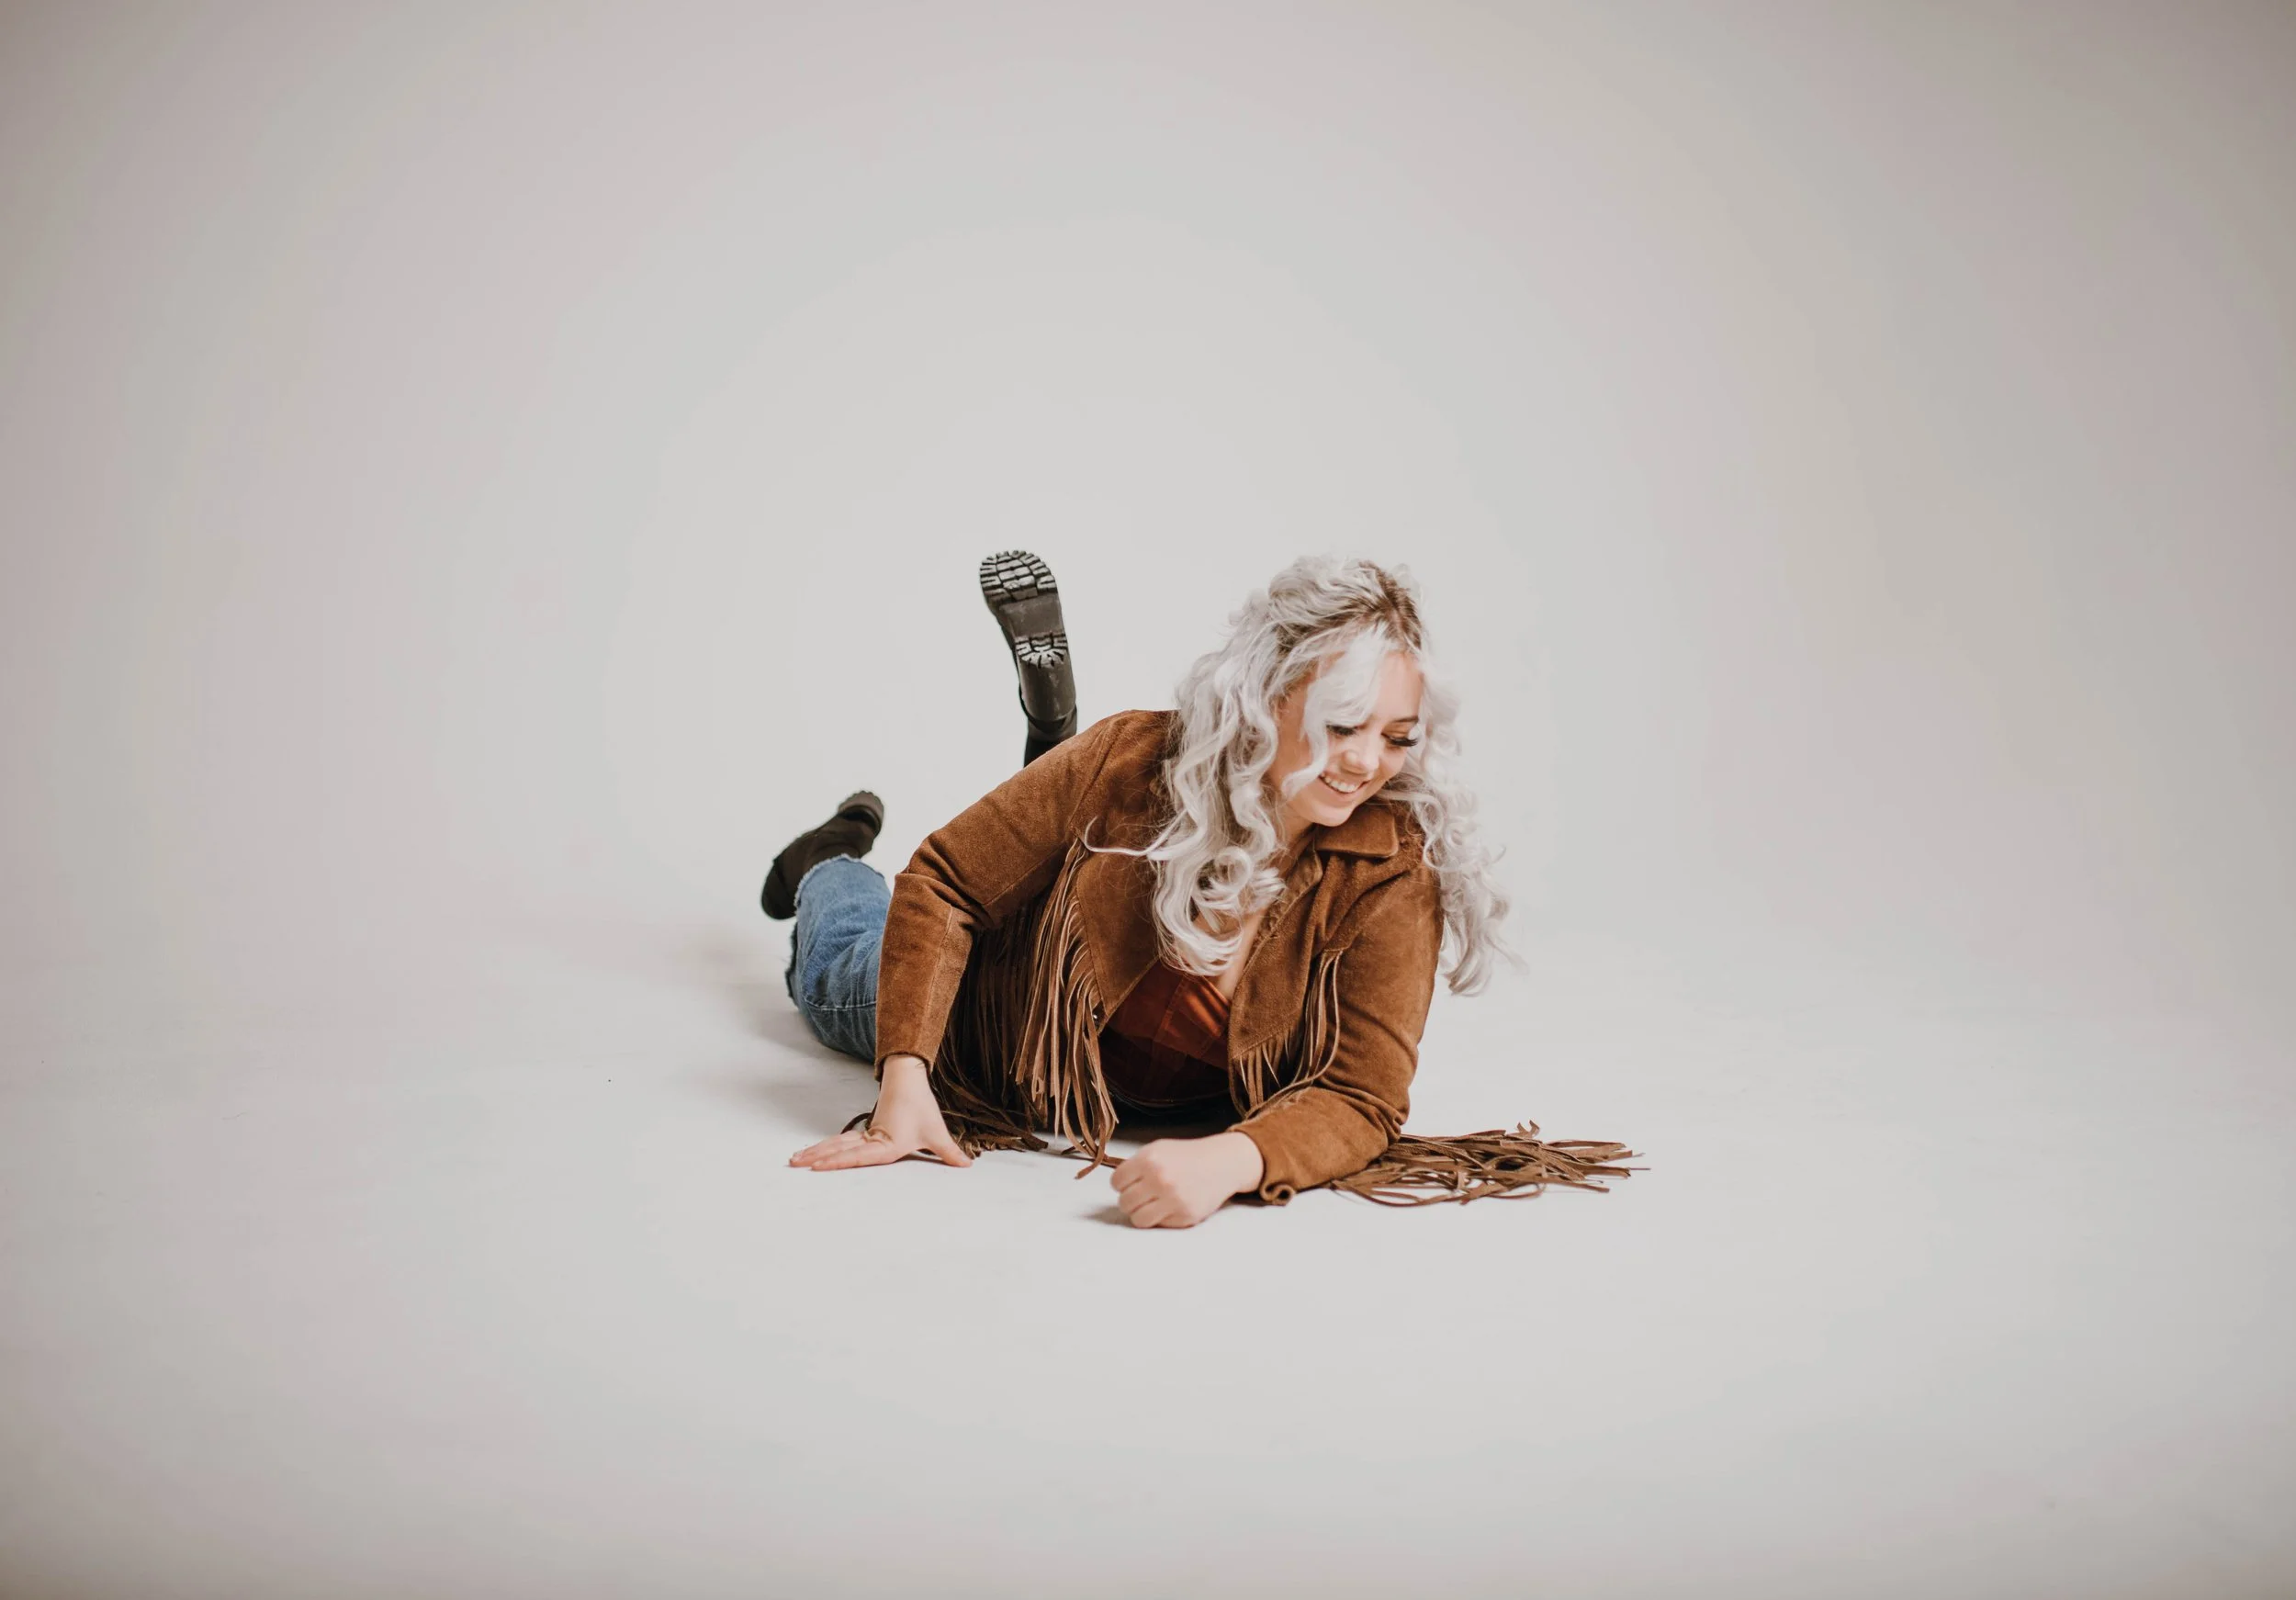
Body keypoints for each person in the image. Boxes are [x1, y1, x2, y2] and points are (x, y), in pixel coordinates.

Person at [763, 551, 1633, 1226]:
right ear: (1267, 696)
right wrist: (904, 1081)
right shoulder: (1133, 757)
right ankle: (829, 859)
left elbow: (1362, 1095)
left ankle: (1044, 746)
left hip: (1139, 1060)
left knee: (1039, 838)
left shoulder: (1393, 862)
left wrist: (1234, 1160)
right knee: (844, 961)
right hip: (993, 1014)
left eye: (1398, 737)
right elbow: (946, 883)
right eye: (1342, 725)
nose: (1369, 762)